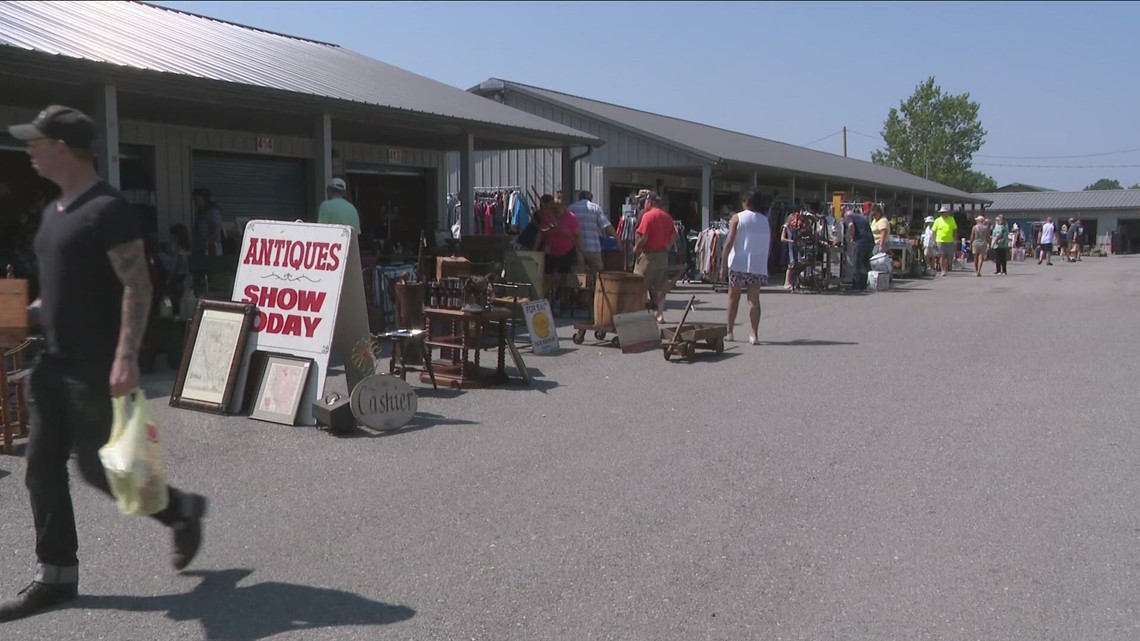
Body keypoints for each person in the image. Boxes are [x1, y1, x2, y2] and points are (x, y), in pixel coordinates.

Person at [1, 105, 209, 622]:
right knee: (40, 468)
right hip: (50, 363)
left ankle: (181, 510)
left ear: (65, 149)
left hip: (94, 364)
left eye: (37, 142)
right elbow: (59, 297)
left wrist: (125, 355)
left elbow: (137, 284)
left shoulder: (107, 209)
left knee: (101, 471)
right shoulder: (54, 215)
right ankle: (57, 578)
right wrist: (21, 315)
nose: (30, 151)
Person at [720, 188, 770, 344]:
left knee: (733, 298)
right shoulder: (764, 220)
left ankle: (730, 331)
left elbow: (729, 242)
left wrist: (722, 263)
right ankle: (754, 334)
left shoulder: (737, 218)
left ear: (746, 202)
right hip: (757, 264)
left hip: (738, 263)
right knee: (754, 300)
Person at [632, 192, 676, 322]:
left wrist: (637, 247)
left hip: (648, 255)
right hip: (662, 255)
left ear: (649, 202)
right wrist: (667, 246)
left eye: (644, 202)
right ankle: (660, 314)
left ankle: (640, 313)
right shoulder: (667, 217)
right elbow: (674, 236)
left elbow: (644, 236)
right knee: (660, 286)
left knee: (640, 284)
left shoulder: (648, 216)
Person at [536, 194, 584, 304]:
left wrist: (580, 253)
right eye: (554, 206)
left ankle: (561, 302)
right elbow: (542, 233)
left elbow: (578, 236)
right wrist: (537, 248)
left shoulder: (571, 218)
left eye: (559, 206)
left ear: (564, 206)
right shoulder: (548, 216)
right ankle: (546, 301)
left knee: (563, 279)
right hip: (551, 252)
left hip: (566, 253)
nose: (556, 209)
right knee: (547, 278)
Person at [567, 190, 615, 275]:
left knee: (578, 277)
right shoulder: (595, 208)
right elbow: (606, 226)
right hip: (593, 247)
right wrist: (617, 239)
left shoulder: (571, 208)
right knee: (596, 276)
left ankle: (578, 288)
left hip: (576, 248)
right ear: (590, 198)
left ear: (579, 198)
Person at [845, 206, 874, 291]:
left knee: (857, 263)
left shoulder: (849, 216)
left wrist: (852, 237)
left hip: (861, 241)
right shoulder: (861, 217)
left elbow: (851, 226)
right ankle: (866, 284)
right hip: (870, 241)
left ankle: (856, 285)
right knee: (865, 263)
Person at [190, 186, 223, 257]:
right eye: (194, 201)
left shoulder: (213, 213)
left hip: (210, 250)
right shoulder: (199, 214)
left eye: (198, 200)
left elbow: (216, 230)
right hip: (199, 248)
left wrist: (210, 245)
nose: (196, 203)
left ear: (205, 200)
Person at [932, 204, 957, 277]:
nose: (943, 214)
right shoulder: (937, 220)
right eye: (942, 212)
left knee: (949, 256)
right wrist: (934, 240)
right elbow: (934, 231)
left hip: (950, 240)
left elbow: (955, 229)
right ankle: (943, 270)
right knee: (942, 255)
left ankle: (946, 268)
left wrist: (955, 239)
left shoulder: (951, 219)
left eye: (945, 212)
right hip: (940, 240)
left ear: (948, 213)